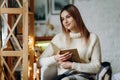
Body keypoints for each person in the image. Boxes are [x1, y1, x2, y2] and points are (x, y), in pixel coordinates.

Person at [39, 4, 101, 80]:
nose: (65, 21)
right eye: (62, 19)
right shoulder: (58, 38)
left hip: (84, 76)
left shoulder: (93, 38)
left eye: (68, 17)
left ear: (76, 17)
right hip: (63, 76)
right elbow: (40, 61)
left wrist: (72, 65)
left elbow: (97, 67)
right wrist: (55, 58)